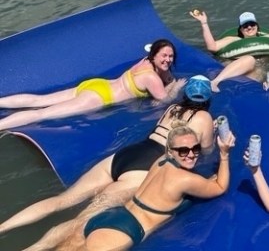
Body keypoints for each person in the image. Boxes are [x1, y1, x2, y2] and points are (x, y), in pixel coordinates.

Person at [0, 75, 215, 246]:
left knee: (62, 200)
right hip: (143, 169)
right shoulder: (205, 117)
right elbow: (204, 151)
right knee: (82, 221)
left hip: (128, 154)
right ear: (207, 99)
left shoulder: (172, 108)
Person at [74, 125, 234, 251]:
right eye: (184, 151)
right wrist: (224, 154)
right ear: (171, 152)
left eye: (195, 148)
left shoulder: (162, 160)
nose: (191, 154)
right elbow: (220, 187)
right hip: (124, 230)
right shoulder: (185, 179)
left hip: (112, 215)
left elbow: (182, 142)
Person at [0, 39, 187, 130]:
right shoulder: (152, 78)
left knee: (39, 100)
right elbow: (163, 101)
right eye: (164, 55)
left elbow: (165, 73)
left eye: (171, 56)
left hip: (96, 85)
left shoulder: (145, 62)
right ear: (154, 55)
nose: (168, 60)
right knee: (41, 114)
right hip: (98, 97)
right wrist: (176, 87)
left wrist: (168, 77)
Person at [190, 10, 269, 92]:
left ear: (257, 26)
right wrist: (204, 23)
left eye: (252, 24)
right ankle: (214, 82)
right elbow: (212, 47)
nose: (249, 27)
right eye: (245, 25)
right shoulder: (234, 40)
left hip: (257, 67)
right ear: (241, 29)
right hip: (234, 65)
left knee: (258, 73)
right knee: (249, 59)